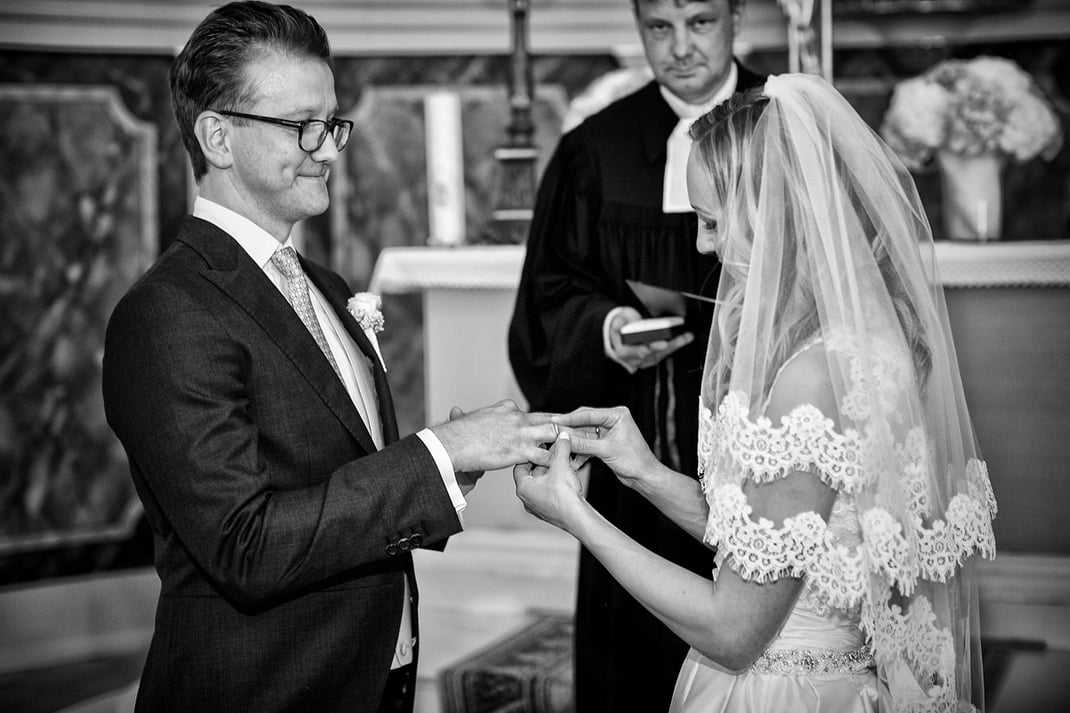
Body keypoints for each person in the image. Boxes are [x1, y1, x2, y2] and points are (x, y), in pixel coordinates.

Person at [101, 3, 557, 713]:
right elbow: (244, 546)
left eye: (332, 123)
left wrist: (456, 461)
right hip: (262, 687)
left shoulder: (328, 288)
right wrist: (436, 452)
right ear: (217, 136)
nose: (328, 149)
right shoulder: (167, 313)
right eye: (301, 126)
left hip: (372, 676)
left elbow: (337, 478)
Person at [515, 73, 997, 712]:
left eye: (713, 223)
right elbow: (777, 546)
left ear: (776, 214)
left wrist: (577, 516)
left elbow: (734, 630)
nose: (702, 245)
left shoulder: (814, 375)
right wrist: (645, 474)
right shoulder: (846, 342)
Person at [507, 2, 764, 709]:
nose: (680, 47)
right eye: (659, 27)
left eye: (701, 22)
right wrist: (608, 327)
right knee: (635, 665)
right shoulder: (594, 149)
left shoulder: (784, 130)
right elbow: (545, 300)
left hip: (763, 449)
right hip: (639, 449)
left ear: (737, 17)